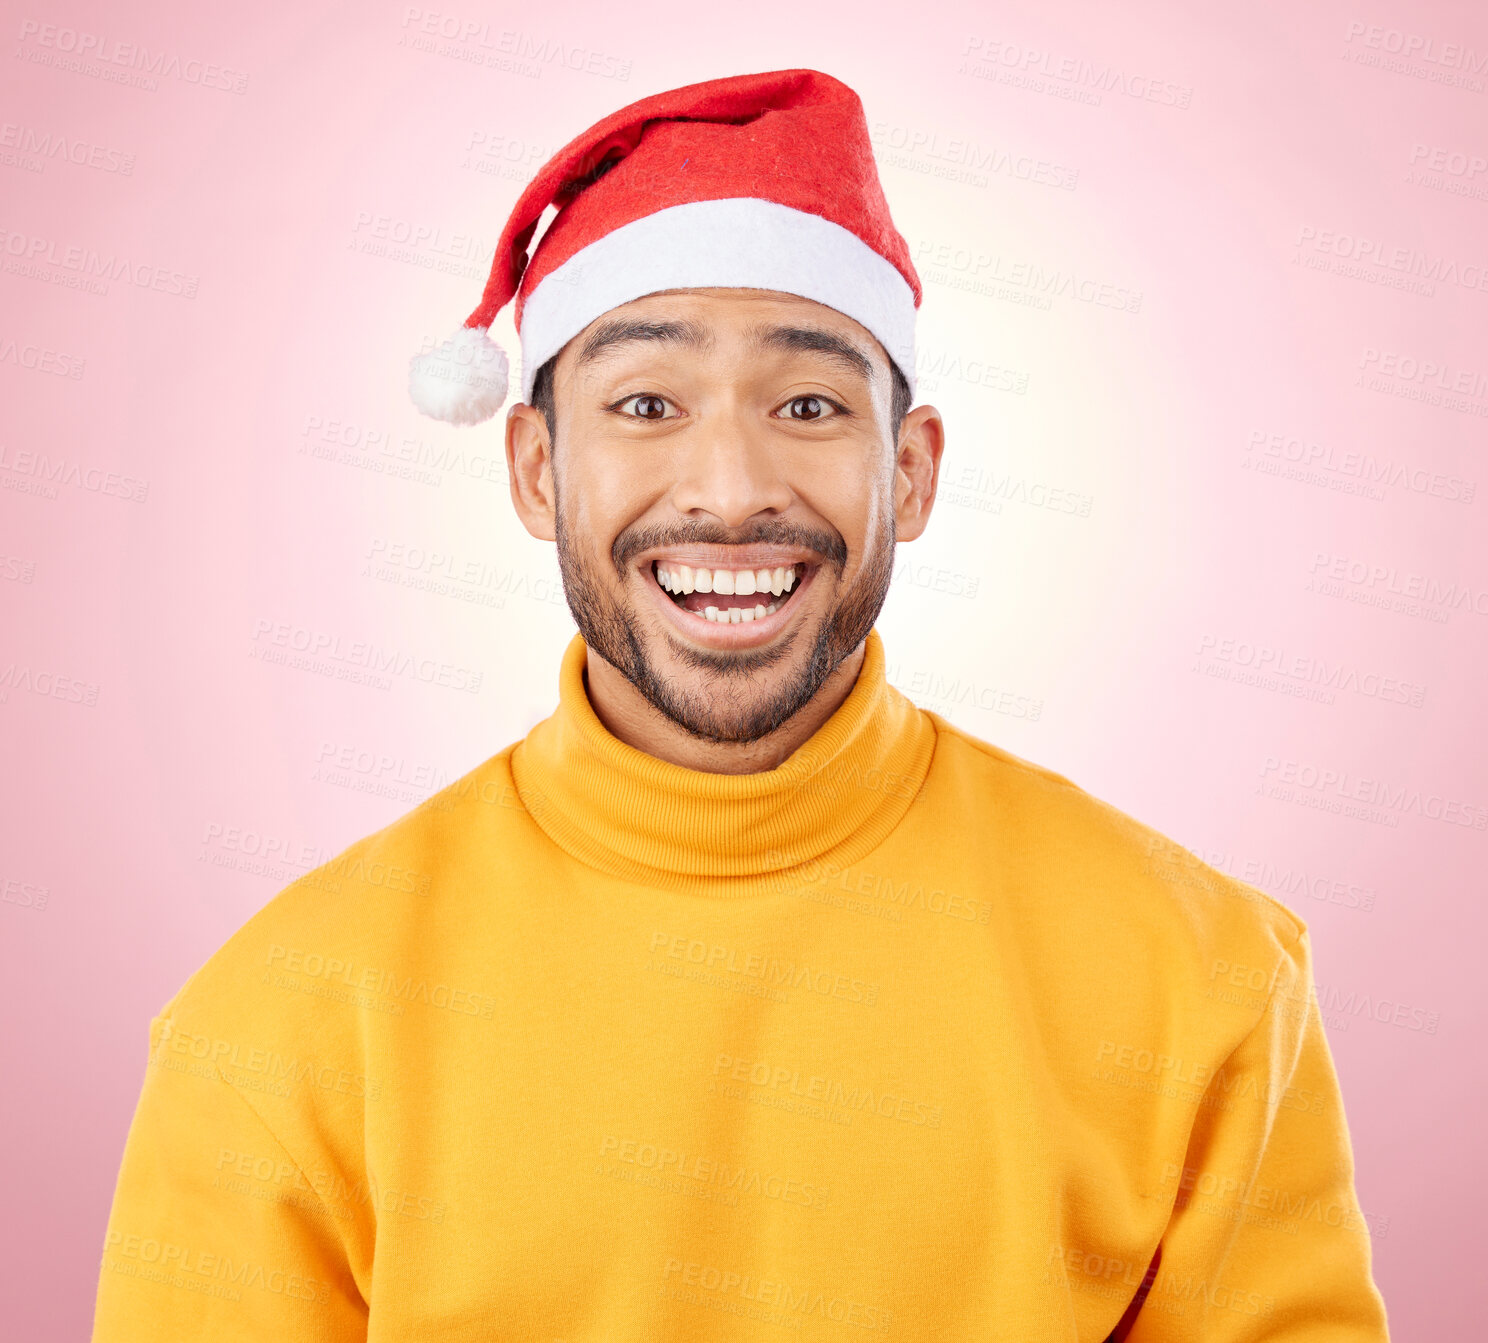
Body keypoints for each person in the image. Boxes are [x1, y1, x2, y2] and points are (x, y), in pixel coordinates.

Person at [91, 69, 1391, 1341]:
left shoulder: (1199, 978)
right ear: (538, 469)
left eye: (809, 403)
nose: (727, 486)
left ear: (913, 471)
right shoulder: (274, 1031)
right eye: (647, 404)